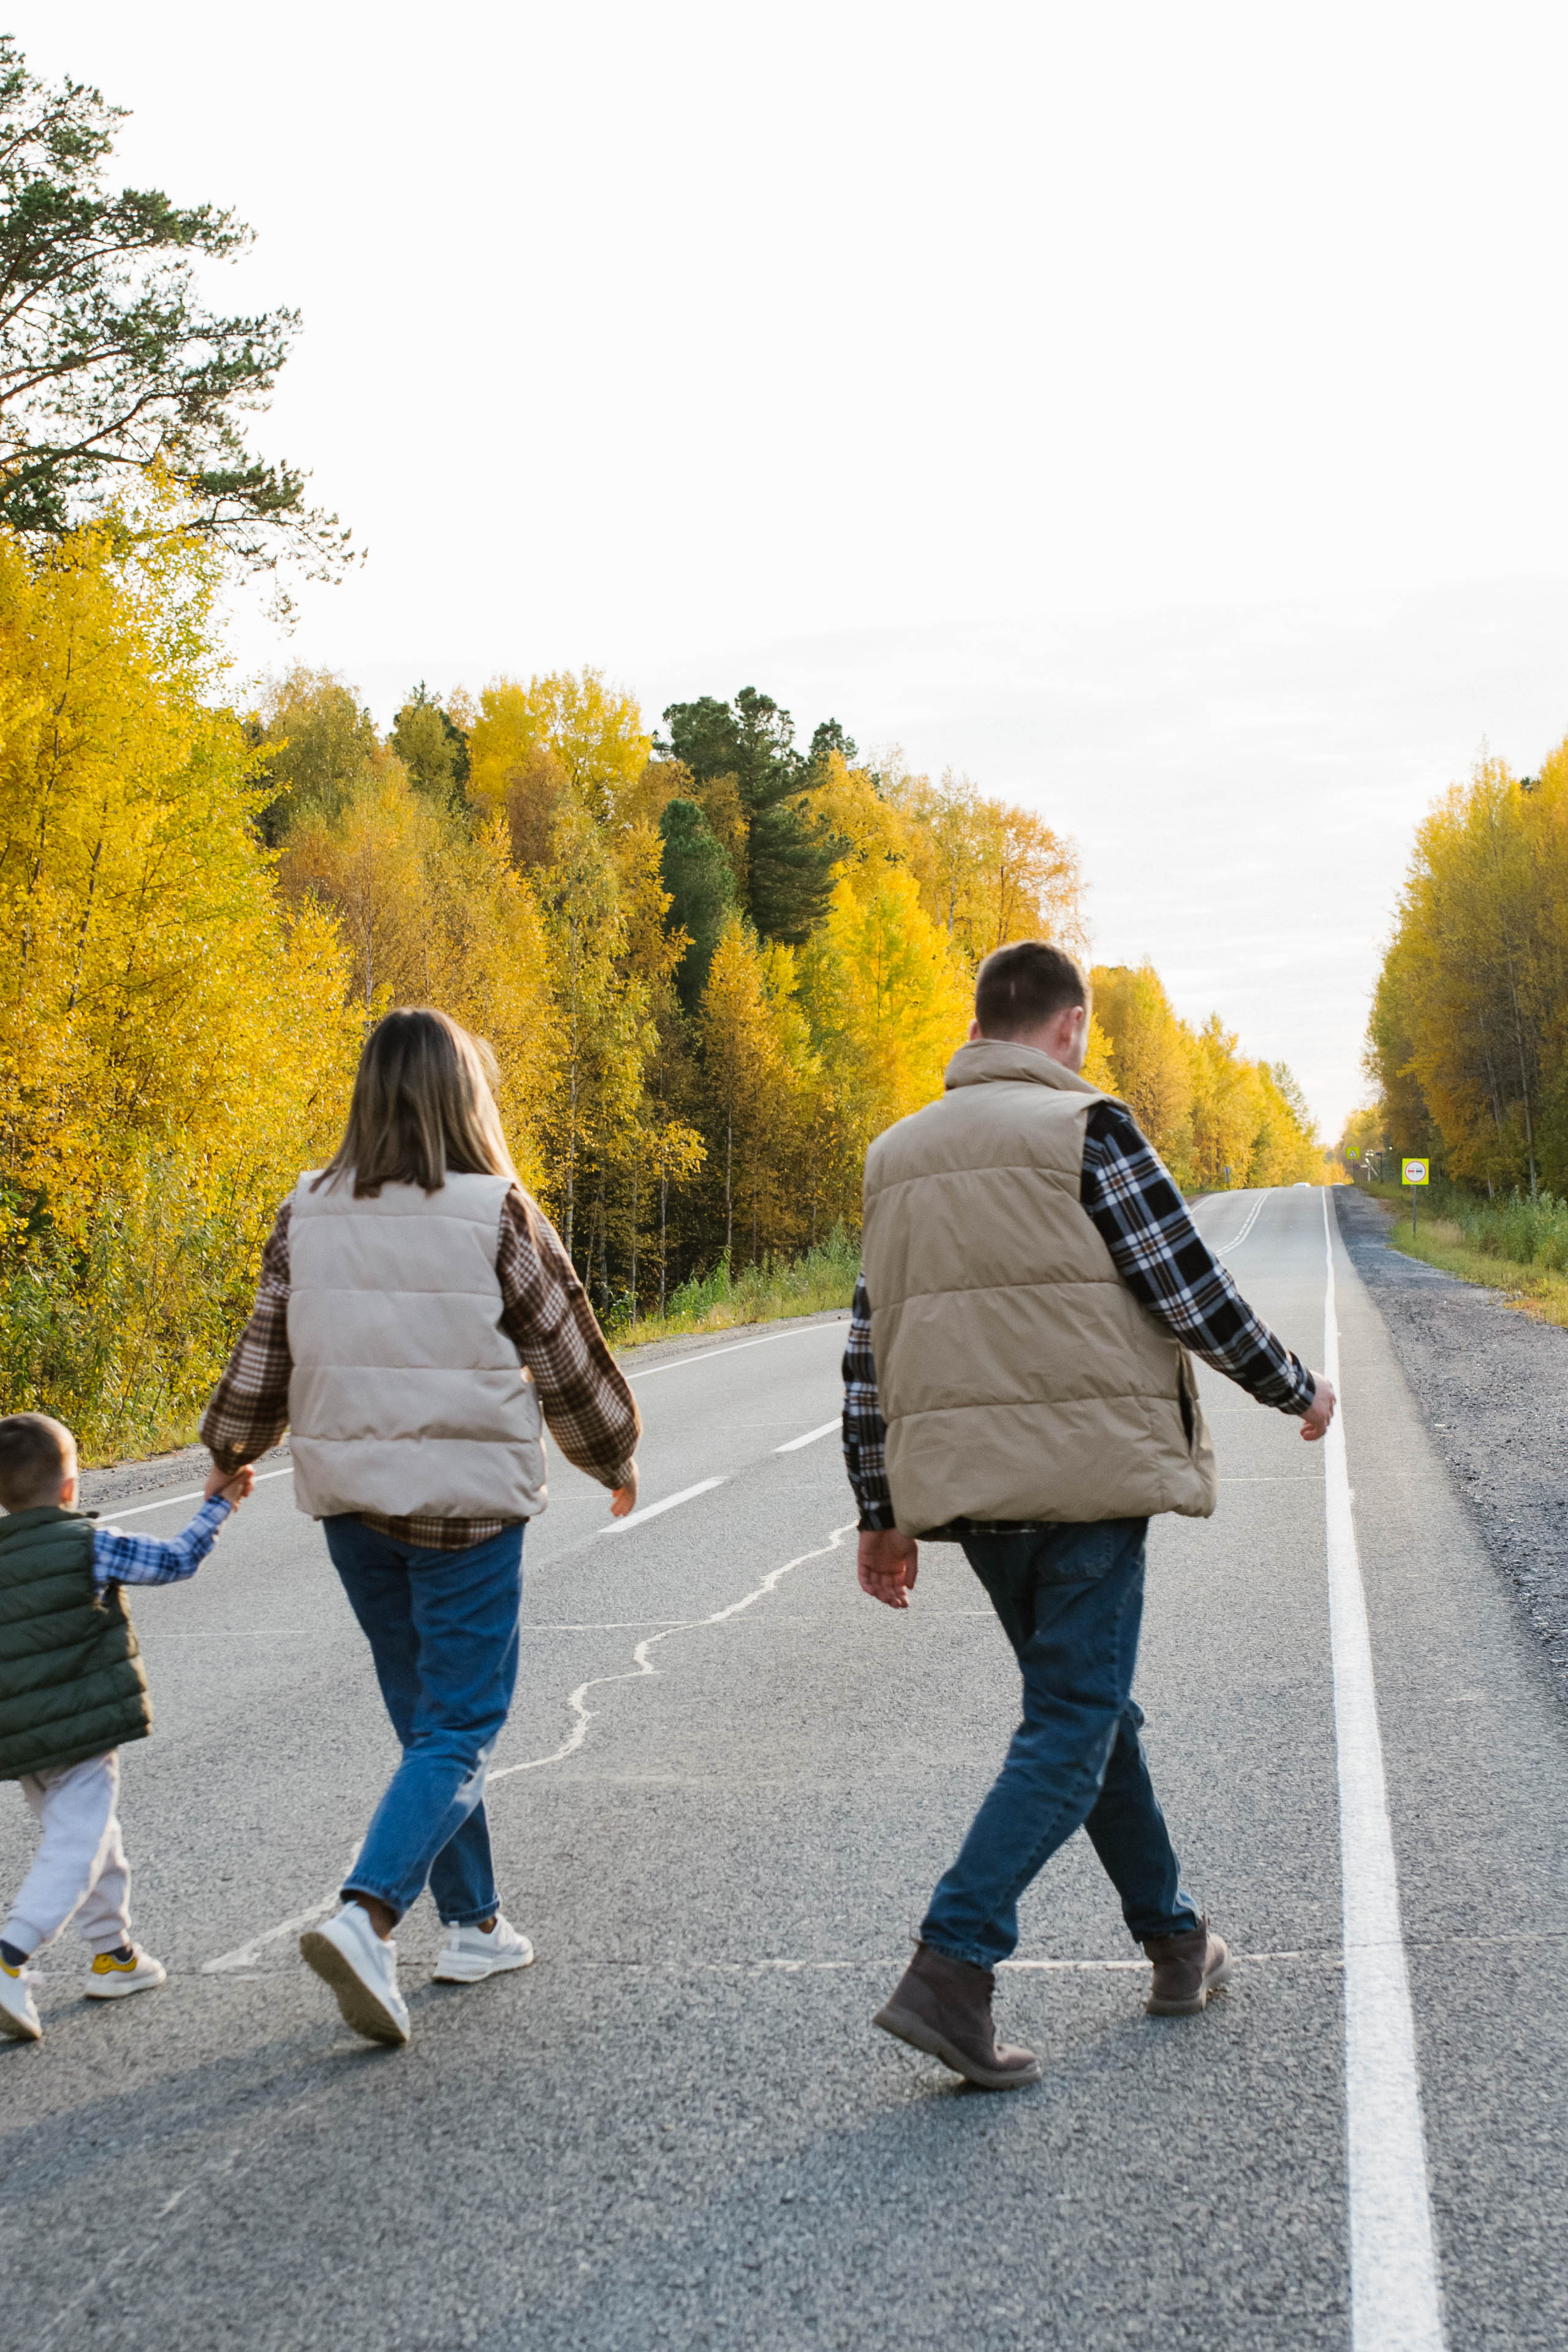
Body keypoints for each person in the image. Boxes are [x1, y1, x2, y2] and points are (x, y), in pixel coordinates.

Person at [844, 940, 1335, 2090]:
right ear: (1068, 1026)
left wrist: (879, 1507)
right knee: (1072, 1716)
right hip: (1085, 1480)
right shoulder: (1087, 1127)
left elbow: (867, 1342)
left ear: (979, 1024)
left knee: (1086, 1708)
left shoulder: (895, 1155)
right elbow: (1187, 1285)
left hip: (966, 1495)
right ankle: (949, 1967)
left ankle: (1174, 1940)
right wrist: (1293, 1385)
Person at [201, 1007, 640, 2049]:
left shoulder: (303, 1208)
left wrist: (229, 1448)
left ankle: (477, 1923)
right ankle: (370, 1912)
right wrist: (613, 1456)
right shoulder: (497, 1211)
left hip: (352, 1506)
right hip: (467, 1511)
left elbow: (264, 1352)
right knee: (459, 1725)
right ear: (465, 1097)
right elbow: (566, 1355)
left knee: (426, 1724)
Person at [0, 1412, 253, 2043]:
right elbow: (177, 1558)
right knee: (77, 1846)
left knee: (92, 1838)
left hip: (23, 1738)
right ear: (68, 1488)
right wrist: (217, 1506)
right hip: (80, 1735)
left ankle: (114, 1955)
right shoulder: (91, 1544)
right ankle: (9, 1956)